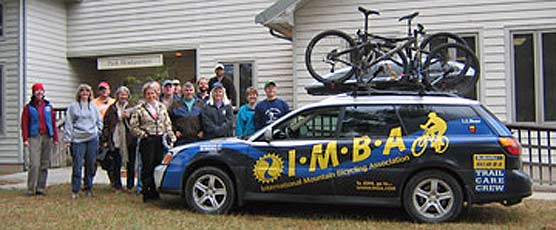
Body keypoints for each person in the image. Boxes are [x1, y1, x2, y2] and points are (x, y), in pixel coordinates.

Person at [129, 82, 176, 202]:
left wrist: (171, 136)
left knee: (157, 165)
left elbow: (167, 123)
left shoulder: (161, 107)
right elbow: (133, 126)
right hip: (147, 140)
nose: (151, 96)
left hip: (160, 139)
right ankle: (146, 192)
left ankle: (155, 192)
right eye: (148, 93)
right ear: (145, 95)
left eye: (153, 93)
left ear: (156, 94)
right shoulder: (139, 108)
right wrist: (143, 135)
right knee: (147, 166)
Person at [64, 84, 103, 199]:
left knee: (91, 164)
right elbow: (69, 123)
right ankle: (75, 189)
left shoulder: (94, 106)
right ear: (79, 93)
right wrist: (68, 139)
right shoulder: (73, 106)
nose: (85, 93)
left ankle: (88, 187)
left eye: (87, 91)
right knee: (77, 165)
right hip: (78, 139)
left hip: (92, 138)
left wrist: (98, 132)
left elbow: (99, 120)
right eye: (82, 91)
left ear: (90, 93)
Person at [20, 83, 59, 196]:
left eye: (41, 90)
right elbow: (24, 124)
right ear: (33, 93)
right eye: (37, 91)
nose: (39, 93)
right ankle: (31, 188)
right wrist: (25, 139)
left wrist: (55, 137)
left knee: (44, 163)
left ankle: (40, 188)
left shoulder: (48, 106)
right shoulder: (29, 107)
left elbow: (53, 123)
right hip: (34, 136)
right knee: (34, 163)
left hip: (47, 136)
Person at [100, 86, 137, 192]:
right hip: (115, 138)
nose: (123, 96)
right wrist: (105, 139)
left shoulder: (132, 107)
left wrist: (128, 116)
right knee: (116, 162)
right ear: (117, 96)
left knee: (131, 162)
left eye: (125, 94)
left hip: (130, 139)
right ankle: (117, 185)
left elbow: (137, 122)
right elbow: (106, 124)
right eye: (121, 94)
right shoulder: (112, 108)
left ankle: (130, 186)